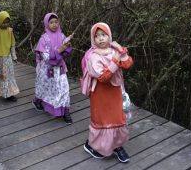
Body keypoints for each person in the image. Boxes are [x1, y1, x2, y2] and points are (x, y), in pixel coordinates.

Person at [82, 22, 133, 163]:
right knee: (102, 121)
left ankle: (117, 146)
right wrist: (116, 60)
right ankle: (94, 146)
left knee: (117, 119)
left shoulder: (114, 50)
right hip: (100, 94)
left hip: (115, 92)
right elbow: (103, 77)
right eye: (97, 36)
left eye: (104, 35)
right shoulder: (92, 56)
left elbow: (128, 63)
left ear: (109, 35)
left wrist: (121, 51)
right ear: (93, 39)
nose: (101, 38)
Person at [32, 13, 74, 124]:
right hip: (47, 70)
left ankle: (65, 111)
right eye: (51, 22)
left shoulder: (62, 36)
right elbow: (46, 58)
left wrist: (66, 47)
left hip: (60, 68)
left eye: (56, 22)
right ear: (46, 23)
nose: (54, 24)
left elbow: (67, 50)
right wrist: (59, 51)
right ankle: (38, 100)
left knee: (64, 89)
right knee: (45, 89)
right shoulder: (44, 39)